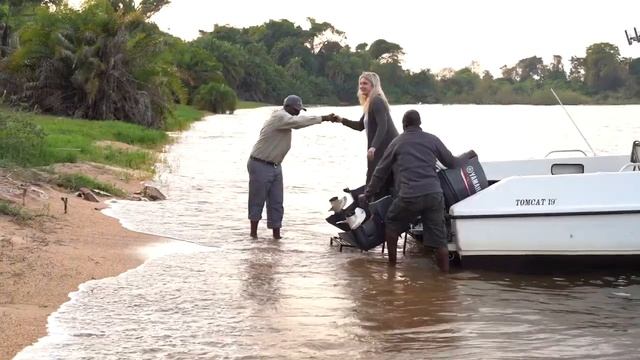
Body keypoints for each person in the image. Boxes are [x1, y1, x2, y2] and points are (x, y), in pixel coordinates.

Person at [364, 110, 464, 272]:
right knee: (440, 240)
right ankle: (445, 279)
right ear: (420, 124)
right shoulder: (432, 139)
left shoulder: (397, 142)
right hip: (434, 195)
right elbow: (452, 162)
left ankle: (392, 268)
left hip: (409, 196)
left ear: (404, 125)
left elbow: (380, 172)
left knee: (392, 222)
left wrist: (368, 194)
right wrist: (466, 157)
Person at [248, 95, 335, 239]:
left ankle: (276, 237)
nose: (298, 112)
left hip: (275, 165)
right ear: (287, 107)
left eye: (300, 110)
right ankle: (253, 236)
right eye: (296, 110)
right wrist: (323, 118)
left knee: (277, 202)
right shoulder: (280, 117)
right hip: (260, 163)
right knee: (257, 201)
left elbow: (297, 120)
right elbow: (298, 122)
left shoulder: (286, 120)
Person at [334, 72, 398, 199]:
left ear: (373, 85)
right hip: (377, 149)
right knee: (373, 180)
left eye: (365, 83)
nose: (362, 86)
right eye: (360, 84)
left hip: (385, 148)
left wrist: (373, 146)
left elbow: (383, 126)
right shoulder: (369, 103)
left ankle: (374, 208)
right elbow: (359, 126)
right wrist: (341, 120)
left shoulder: (377, 101)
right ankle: (373, 208)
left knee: (375, 180)